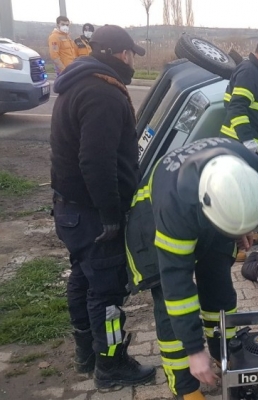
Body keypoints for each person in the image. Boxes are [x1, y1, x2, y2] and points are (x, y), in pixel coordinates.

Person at [50, 24, 153, 389]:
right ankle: (111, 364)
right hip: (94, 215)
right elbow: (95, 161)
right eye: (130, 54)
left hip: (71, 210)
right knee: (107, 293)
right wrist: (110, 214)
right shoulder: (103, 93)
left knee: (83, 279)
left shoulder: (77, 82)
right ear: (119, 54)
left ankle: (87, 354)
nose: (132, 62)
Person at [125, 137, 258, 400]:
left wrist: (241, 227)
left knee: (219, 288)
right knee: (170, 307)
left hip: (212, 207)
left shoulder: (250, 166)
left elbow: (249, 201)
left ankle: (223, 353)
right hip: (152, 222)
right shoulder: (174, 206)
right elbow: (178, 287)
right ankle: (186, 386)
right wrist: (194, 350)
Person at [220, 34, 258, 158]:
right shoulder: (249, 72)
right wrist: (247, 139)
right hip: (238, 144)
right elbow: (236, 107)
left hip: (244, 143)